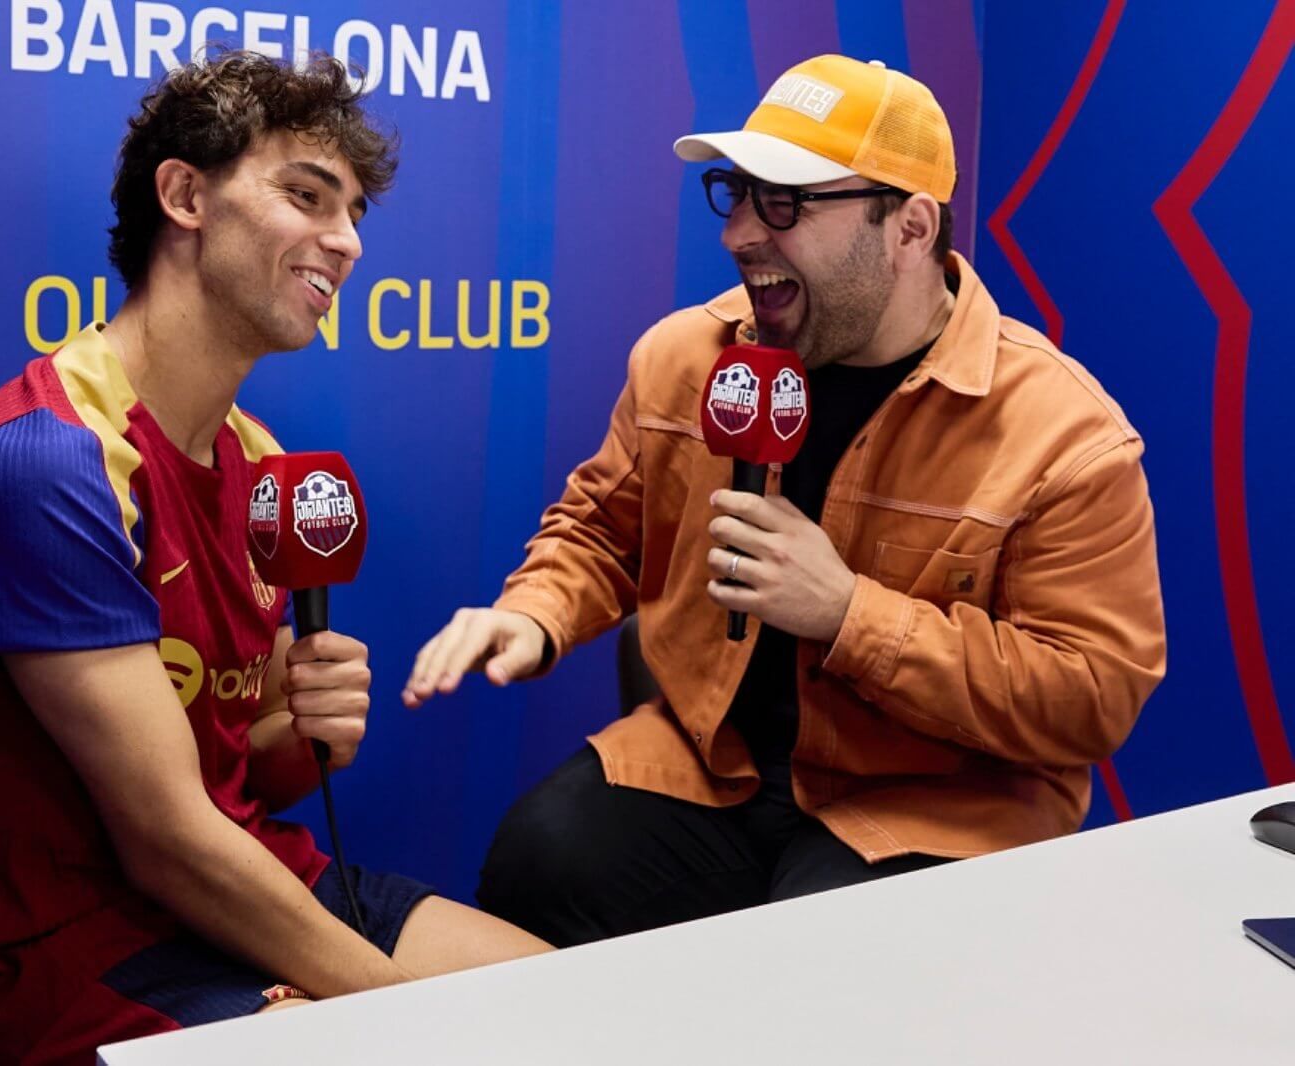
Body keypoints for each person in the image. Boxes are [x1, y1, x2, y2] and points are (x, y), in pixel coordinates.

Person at [404, 54, 1166, 947]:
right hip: (713, 768)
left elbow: (1090, 696)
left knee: (824, 952)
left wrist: (848, 615)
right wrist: (534, 616)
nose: (740, 235)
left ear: (910, 226)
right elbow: (602, 530)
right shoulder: (686, 358)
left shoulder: (1064, 437)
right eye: (737, 193)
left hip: (936, 803)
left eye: (787, 203)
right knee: (541, 859)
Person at [0, 51, 547, 1065]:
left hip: (252, 880)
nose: (344, 242)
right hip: (94, 957)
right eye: (306, 196)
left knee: (567, 1011)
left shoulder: (263, 465)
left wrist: (305, 732)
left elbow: (239, 777)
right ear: (184, 194)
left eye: (354, 215)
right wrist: (393, 1010)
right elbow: (162, 840)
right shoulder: (48, 467)